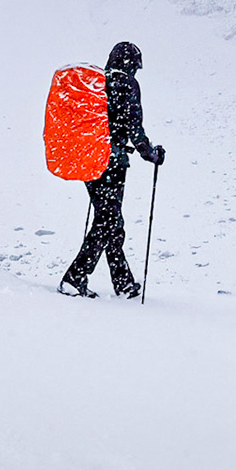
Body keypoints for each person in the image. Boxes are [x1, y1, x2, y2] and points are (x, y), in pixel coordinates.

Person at [60, 41, 165, 298]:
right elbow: (133, 125)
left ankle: (124, 283)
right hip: (111, 162)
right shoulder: (126, 84)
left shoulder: (97, 84)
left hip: (89, 160)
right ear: (132, 64)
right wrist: (149, 153)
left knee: (111, 221)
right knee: (108, 221)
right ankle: (75, 277)